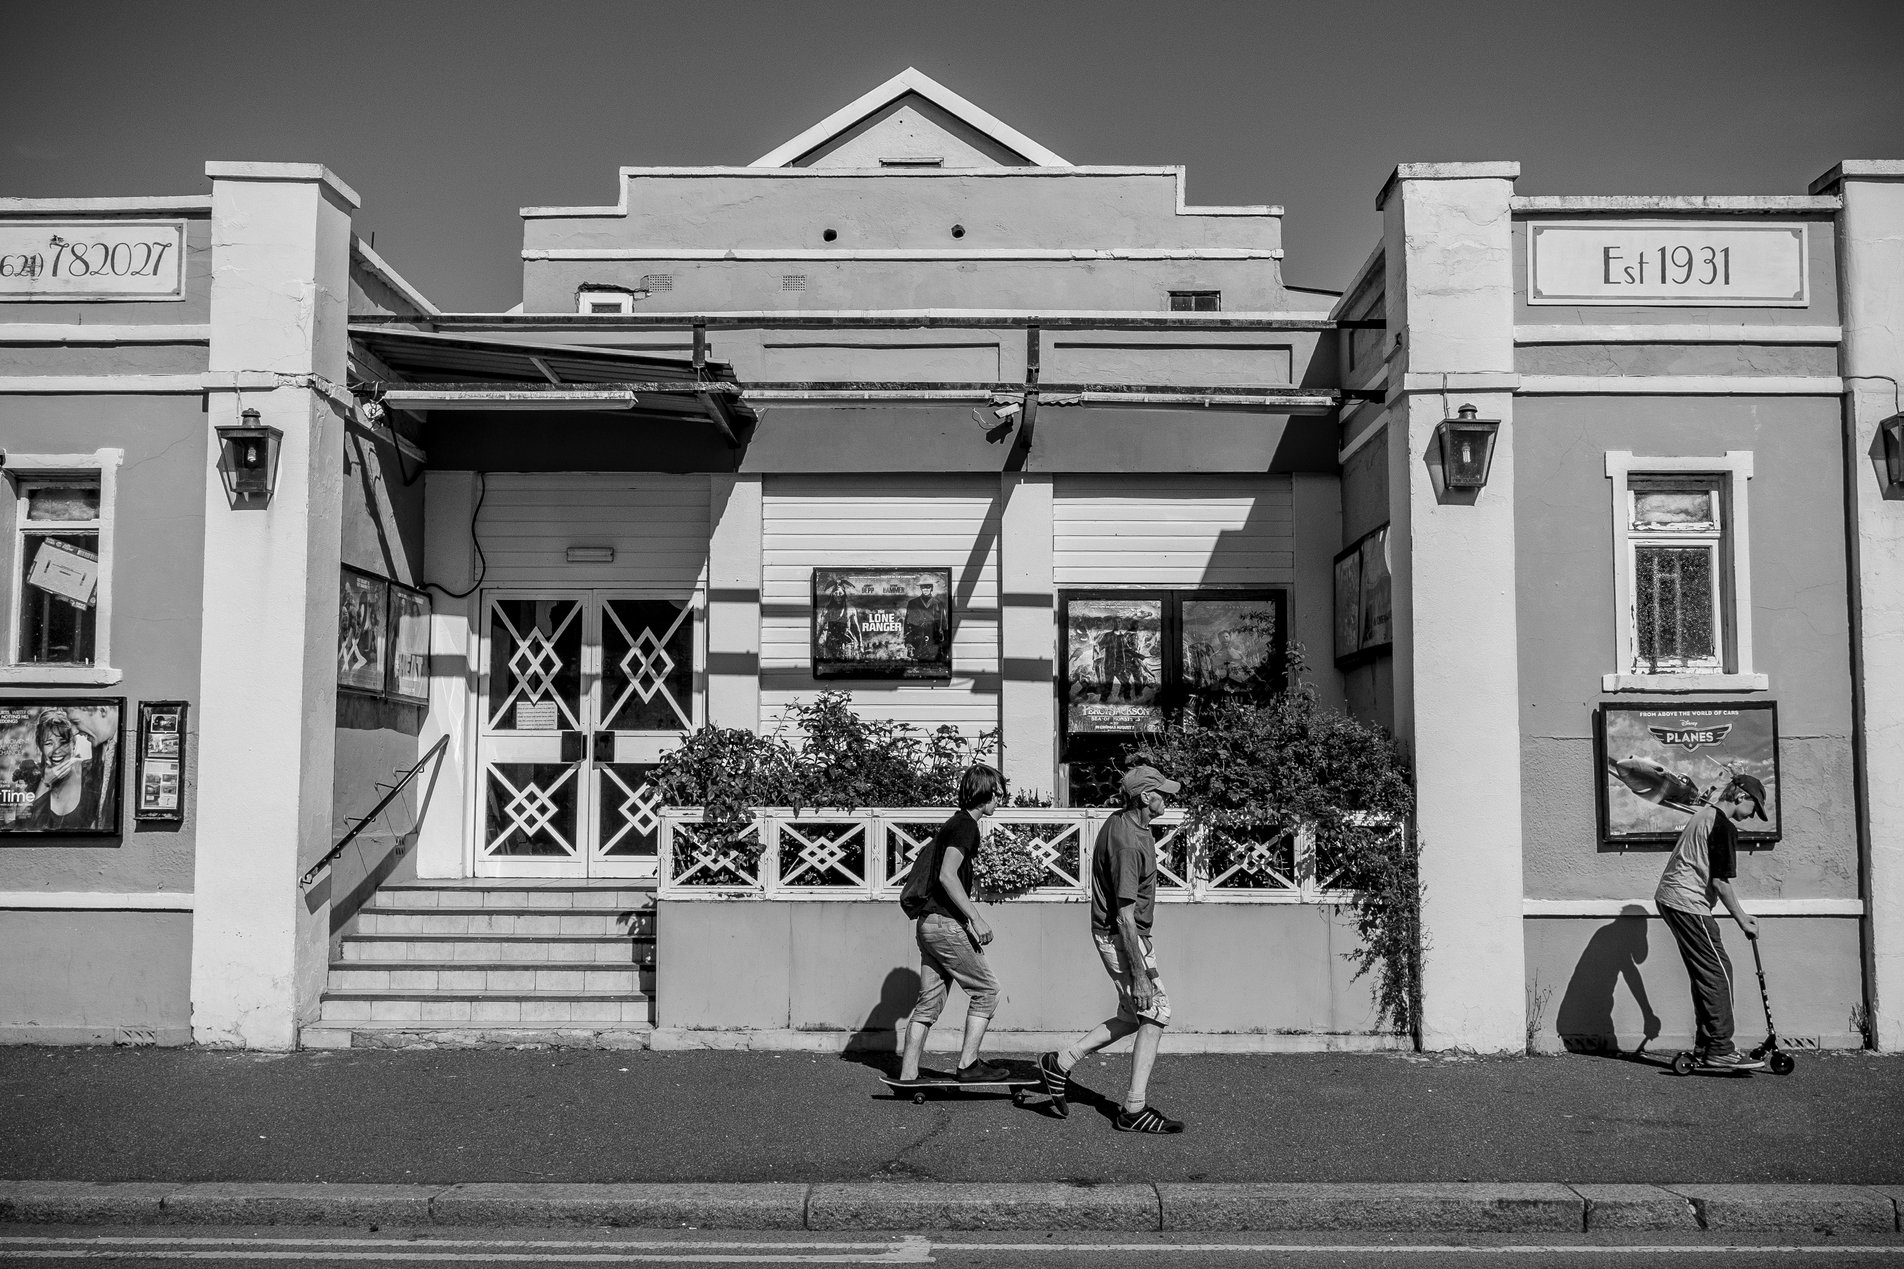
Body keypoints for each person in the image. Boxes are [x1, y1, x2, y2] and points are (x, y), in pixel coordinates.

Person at [1038, 764, 1185, 1133]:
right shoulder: (1128, 843)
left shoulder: (1124, 822)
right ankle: (1133, 1109)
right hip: (1123, 936)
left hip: (1122, 935)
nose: (1166, 798)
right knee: (1156, 1012)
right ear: (1144, 797)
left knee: (1132, 1016)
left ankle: (1060, 1063)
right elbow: (1124, 915)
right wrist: (1140, 974)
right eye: (1161, 793)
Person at [898, 763, 1009, 1084]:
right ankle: (969, 1065)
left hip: (928, 924)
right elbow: (948, 875)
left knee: (928, 1003)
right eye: (999, 794)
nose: (1001, 800)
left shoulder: (954, 823)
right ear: (986, 793)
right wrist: (976, 918)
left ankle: (908, 1075)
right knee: (987, 991)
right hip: (945, 925)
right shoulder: (966, 827)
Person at [1654, 774, 1768, 1070]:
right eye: (1754, 807)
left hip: (1672, 898)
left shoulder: (1704, 814)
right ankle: (1719, 1048)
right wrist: (1743, 920)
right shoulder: (1723, 825)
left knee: (1706, 974)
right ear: (1741, 796)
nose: (1752, 815)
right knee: (1718, 974)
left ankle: (1706, 1046)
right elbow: (1720, 882)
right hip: (1687, 902)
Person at [23, 708, 105, 832]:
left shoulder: (91, 772)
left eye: (63, 742)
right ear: (40, 747)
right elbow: (29, 830)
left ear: (73, 744)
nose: (57, 750)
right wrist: (45, 783)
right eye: (49, 743)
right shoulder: (33, 780)